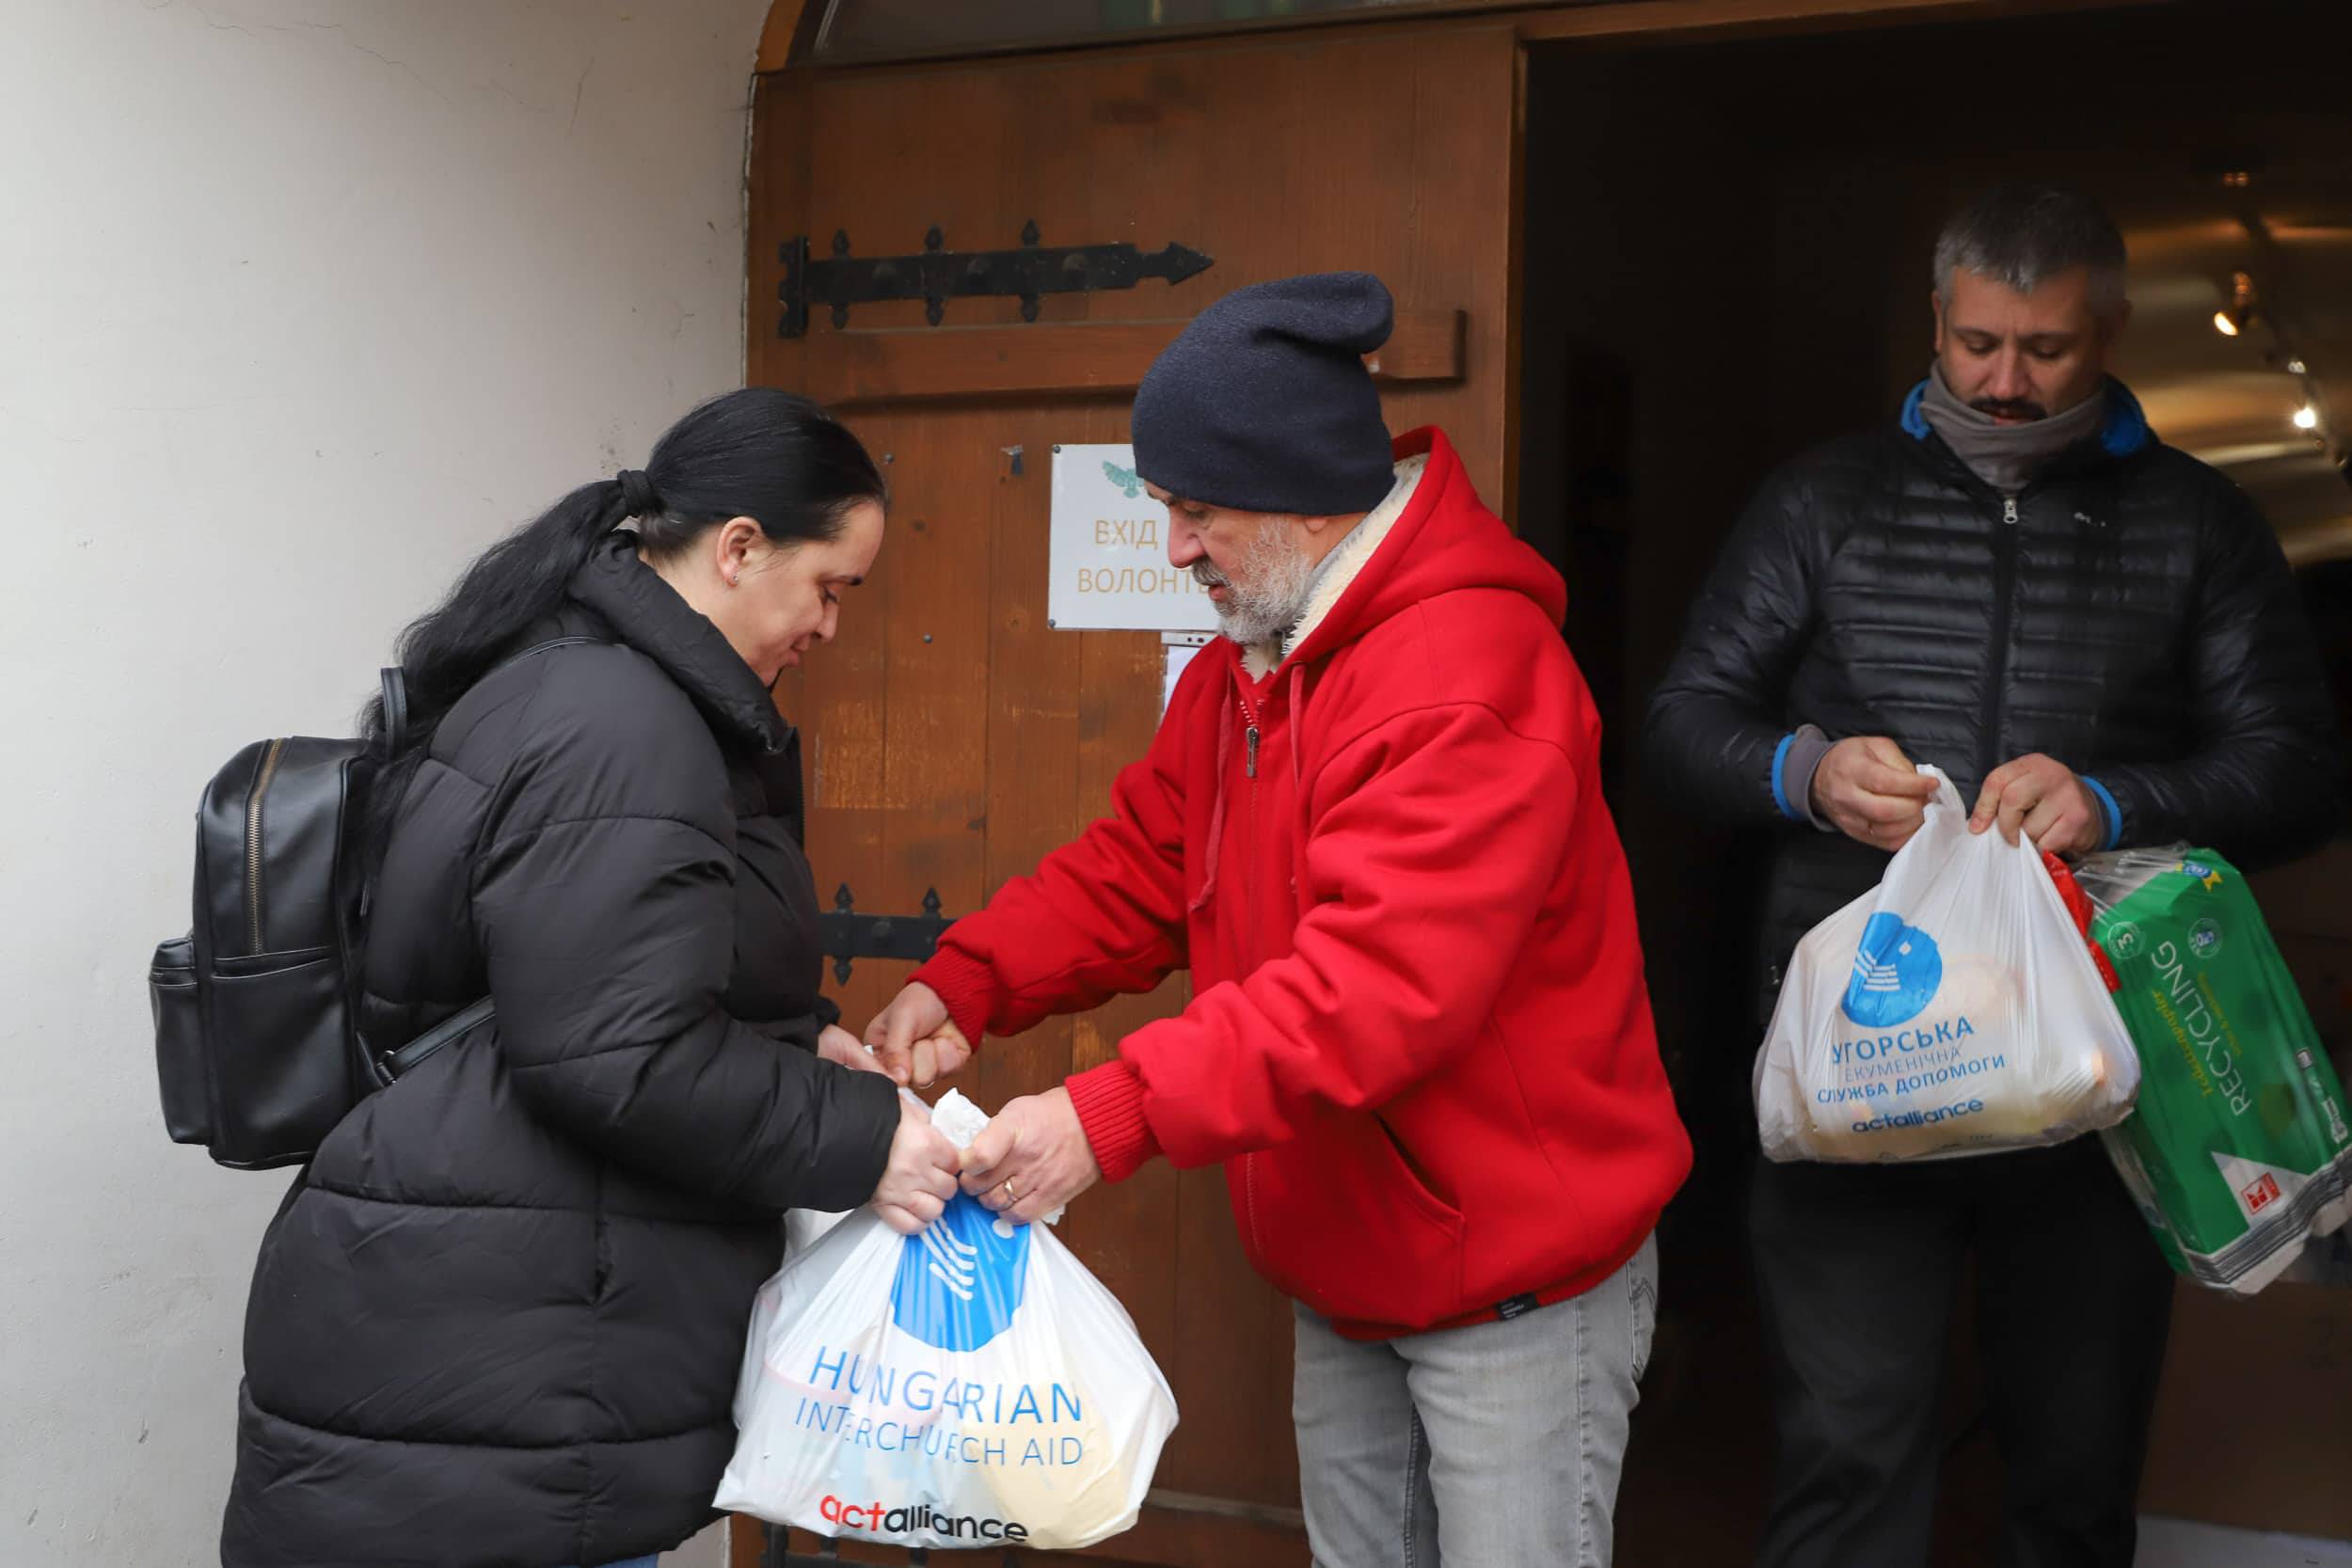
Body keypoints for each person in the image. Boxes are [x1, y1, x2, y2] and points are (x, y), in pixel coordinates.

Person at [865, 273, 1692, 1568]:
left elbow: (1377, 989)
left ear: (1310, 494)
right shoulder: (1245, 664)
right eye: (1166, 510)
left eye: (1199, 512)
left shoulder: (1465, 673)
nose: (1177, 547)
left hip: (1518, 1278)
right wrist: (968, 979)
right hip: (1349, 1260)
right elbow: (1141, 868)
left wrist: (1106, 1114)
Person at [1644, 184, 2342, 1568]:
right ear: (1937, 324)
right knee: (1845, 1453)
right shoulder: (1821, 499)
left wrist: (2118, 795)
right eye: (1975, 346)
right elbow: (1677, 726)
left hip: (2093, 1077)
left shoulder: (2198, 522)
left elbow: (2303, 765)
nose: (2005, 383)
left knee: (2074, 1471)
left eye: (2046, 350)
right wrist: (1806, 770)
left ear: (2111, 330)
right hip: (1860, 1063)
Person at [220, 388, 961, 1568]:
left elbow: (606, 974)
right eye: (830, 586)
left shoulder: (589, 679)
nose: (830, 625)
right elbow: (621, 1053)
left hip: (500, 1353)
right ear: (737, 547)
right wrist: (865, 1133)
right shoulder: (622, 720)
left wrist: (794, 1036)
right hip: (505, 1382)